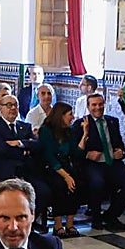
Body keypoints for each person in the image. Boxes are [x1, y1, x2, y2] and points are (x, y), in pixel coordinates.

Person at [75, 92, 125, 232]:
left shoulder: (113, 121)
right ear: (88, 107)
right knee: (97, 182)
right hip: (92, 164)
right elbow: (75, 150)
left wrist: (121, 152)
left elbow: (120, 143)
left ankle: (111, 215)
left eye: (100, 104)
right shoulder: (81, 124)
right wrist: (88, 154)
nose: (98, 107)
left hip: (112, 161)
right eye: (94, 105)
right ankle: (96, 217)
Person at [38, 101, 83, 237]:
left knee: (77, 182)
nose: (73, 117)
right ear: (61, 116)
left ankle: (70, 223)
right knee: (59, 185)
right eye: (70, 114)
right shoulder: (46, 131)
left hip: (66, 166)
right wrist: (66, 176)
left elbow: (76, 153)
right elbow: (49, 156)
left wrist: (85, 135)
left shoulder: (69, 131)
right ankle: (58, 225)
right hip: (51, 168)